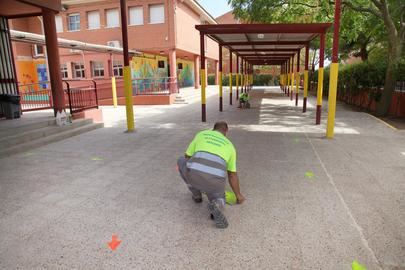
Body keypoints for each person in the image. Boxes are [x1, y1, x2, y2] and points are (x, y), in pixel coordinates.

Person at [177, 121, 245, 229]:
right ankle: (218, 203)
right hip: (215, 183)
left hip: (194, 176)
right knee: (217, 194)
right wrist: (238, 195)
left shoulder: (201, 134)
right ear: (226, 132)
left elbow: (187, 156)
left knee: (181, 161)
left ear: (213, 129)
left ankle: (197, 195)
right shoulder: (230, 146)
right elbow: (232, 175)